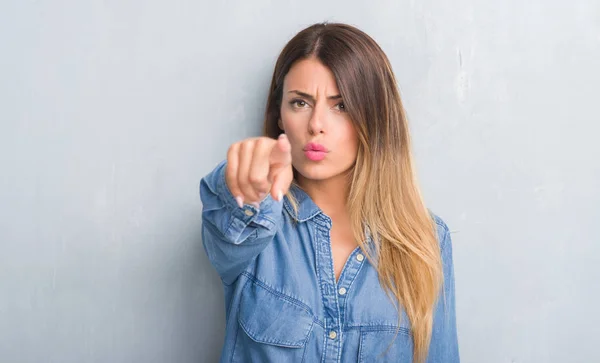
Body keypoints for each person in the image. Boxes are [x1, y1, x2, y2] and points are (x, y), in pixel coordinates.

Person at [199, 22, 459, 363]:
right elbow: (228, 210)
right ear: (279, 115)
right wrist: (246, 181)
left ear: (374, 117)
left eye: (341, 106)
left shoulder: (428, 240)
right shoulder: (257, 224)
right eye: (300, 103)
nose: (316, 124)